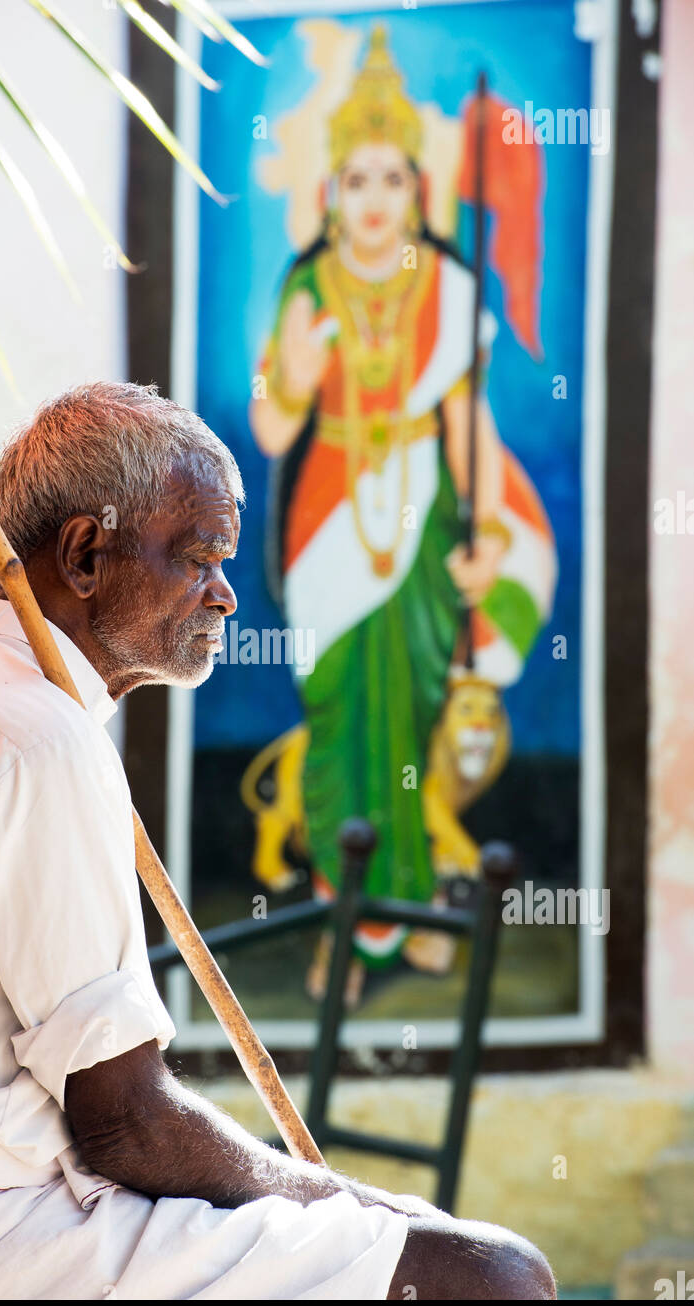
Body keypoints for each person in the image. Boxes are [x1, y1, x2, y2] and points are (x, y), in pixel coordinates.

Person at [0, 382, 554, 1300]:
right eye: (200, 555)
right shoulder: (35, 738)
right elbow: (122, 1124)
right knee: (492, 1278)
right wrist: (347, 1201)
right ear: (86, 554)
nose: (225, 593)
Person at [249, 26, 556, 994]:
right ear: (334, 186)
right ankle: (346, 923)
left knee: (414, 723)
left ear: (416, 190)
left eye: (392, 179)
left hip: (420, 518)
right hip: (327, 523)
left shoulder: (449, 286)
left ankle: (413, 905)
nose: (374, 199)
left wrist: (492, 534)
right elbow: (265, 427)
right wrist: (292, 384)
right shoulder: (307, 281)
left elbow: (465, 423)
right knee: (338, 719)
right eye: (357, 178)